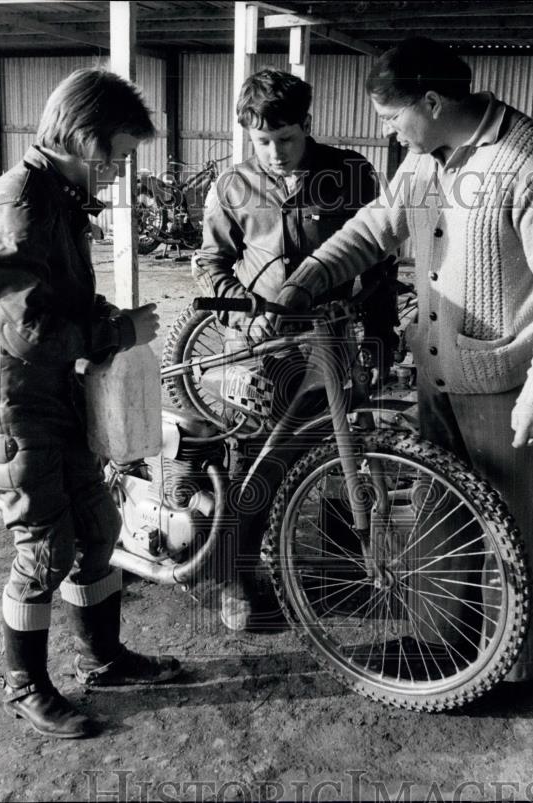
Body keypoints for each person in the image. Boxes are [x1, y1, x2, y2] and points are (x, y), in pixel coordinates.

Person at [276, 38, 533, 681]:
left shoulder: (530, 163)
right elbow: (377, 226)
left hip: (501, 386)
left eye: (392, 117)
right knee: (439, 511)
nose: (386, 130)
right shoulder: (425, 162)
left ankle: (511, 669)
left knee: (506, 524)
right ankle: (440, 644)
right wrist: (308, 275)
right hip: (435, 371)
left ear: (432, 99)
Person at [0, 68, 181, 740]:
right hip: (14, 406)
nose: (118, 172)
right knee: (44, 548)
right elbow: (21, 330)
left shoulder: (56, 200)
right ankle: (24, 683)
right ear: (84, 139)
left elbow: (59, 301)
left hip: (57, 398)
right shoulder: (20, 206)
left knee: (97, 529)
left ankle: (104, 657)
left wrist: (111, 317)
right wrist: (115, 333)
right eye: (115, 155)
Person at [193, 69, 396, 631]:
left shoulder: (350, 173)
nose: (276, 153)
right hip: (260, 351)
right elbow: (210, 268)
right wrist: (247, 310)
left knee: (341, 449)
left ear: (308, 124)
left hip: (334, 340)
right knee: (258, 459)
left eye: (287, 138)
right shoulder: (233, 187)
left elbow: (379, 264)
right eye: (263, 142)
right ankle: (234, 579)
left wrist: (383, 335)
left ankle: (343, 568)